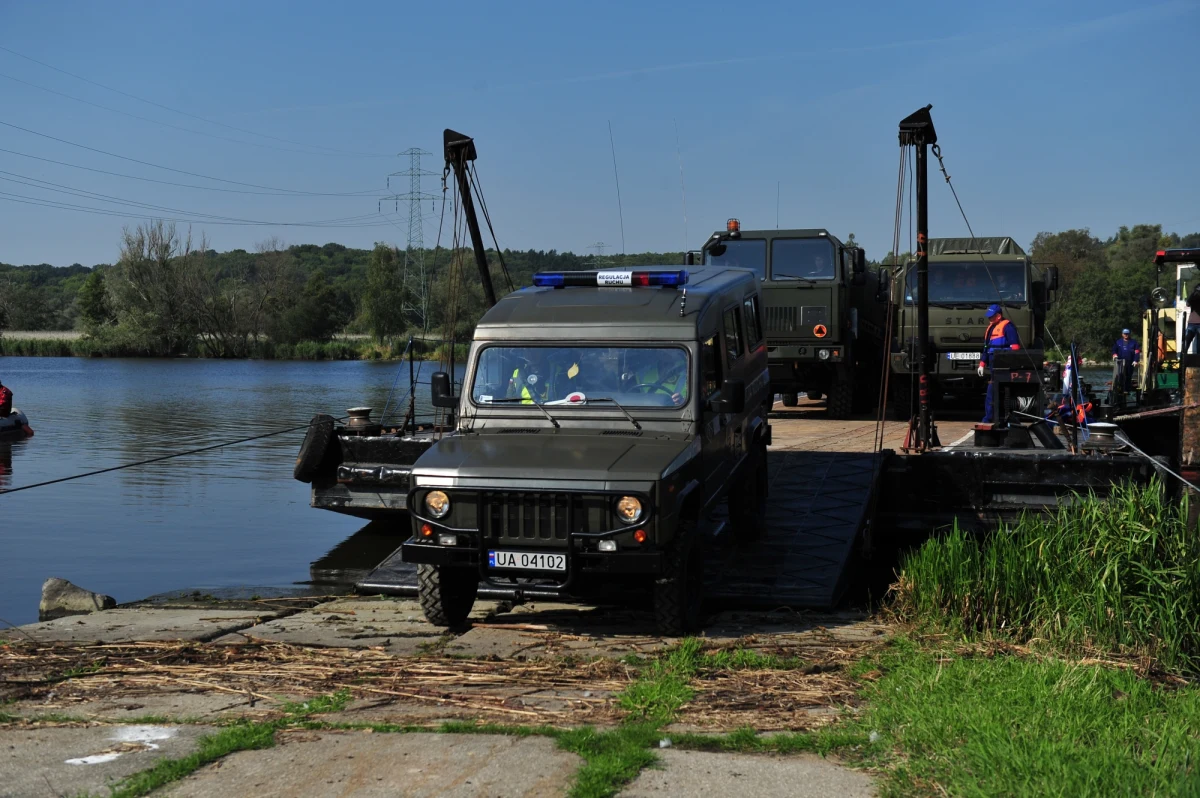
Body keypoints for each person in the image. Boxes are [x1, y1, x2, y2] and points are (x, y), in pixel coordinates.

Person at [977, 304, 1021, 424]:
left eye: (992, 317)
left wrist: (1000, 353)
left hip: (1004, 365)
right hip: (993, 365)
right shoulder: (991, 328)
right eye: (989, 317)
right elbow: (986, 347)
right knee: (991, 392)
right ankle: (991, 417)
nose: (989, 319)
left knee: (996, 392)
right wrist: (982, 363)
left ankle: (995, 418)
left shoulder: (1008, 327)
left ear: (999, 316)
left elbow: (1015, 347)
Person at [1111, 329, 1140, 393]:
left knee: (1128, 376)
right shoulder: (1118, 342)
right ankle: (1120, 389)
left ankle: (1127, 389)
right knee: (1120, 375)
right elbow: (1114, 350)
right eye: (1125, 334)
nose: (1126, 335)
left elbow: (1137, 352)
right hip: (1120, 362)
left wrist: (1136, 360)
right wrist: (1114, 355)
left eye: (1127, 334)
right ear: (1122, 334)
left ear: (1129, 334)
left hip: (1130, 362)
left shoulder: (1134, 342)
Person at [1184, 282, 1200, 356]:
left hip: (1193, 323)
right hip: (1192, 323)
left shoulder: (1194, 297)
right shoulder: (1193, 297)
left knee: (1188, 343)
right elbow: (1187, 304)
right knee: (1187, 343)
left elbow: (1187, 303)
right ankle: (1184, 359)